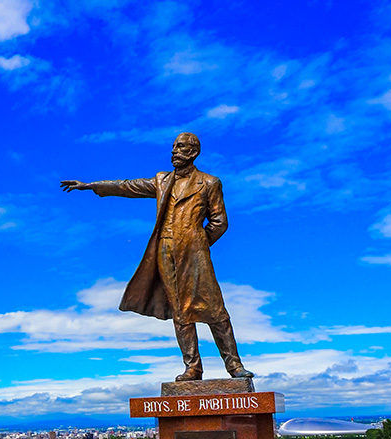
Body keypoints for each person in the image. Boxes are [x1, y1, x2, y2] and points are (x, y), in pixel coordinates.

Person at [61, 132, 253, 381]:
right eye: (173, 146)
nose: (174, 151)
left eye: (181, 147)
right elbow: (128, 186)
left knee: (215, 309)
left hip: (194, 254)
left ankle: (234, 365)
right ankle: (192, 367)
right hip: (165, 251)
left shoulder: (209, 183)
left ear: (193, 152)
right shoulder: (162, 180)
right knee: (180, 312)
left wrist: (197, 243)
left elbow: (219, 222)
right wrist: (92, 185)